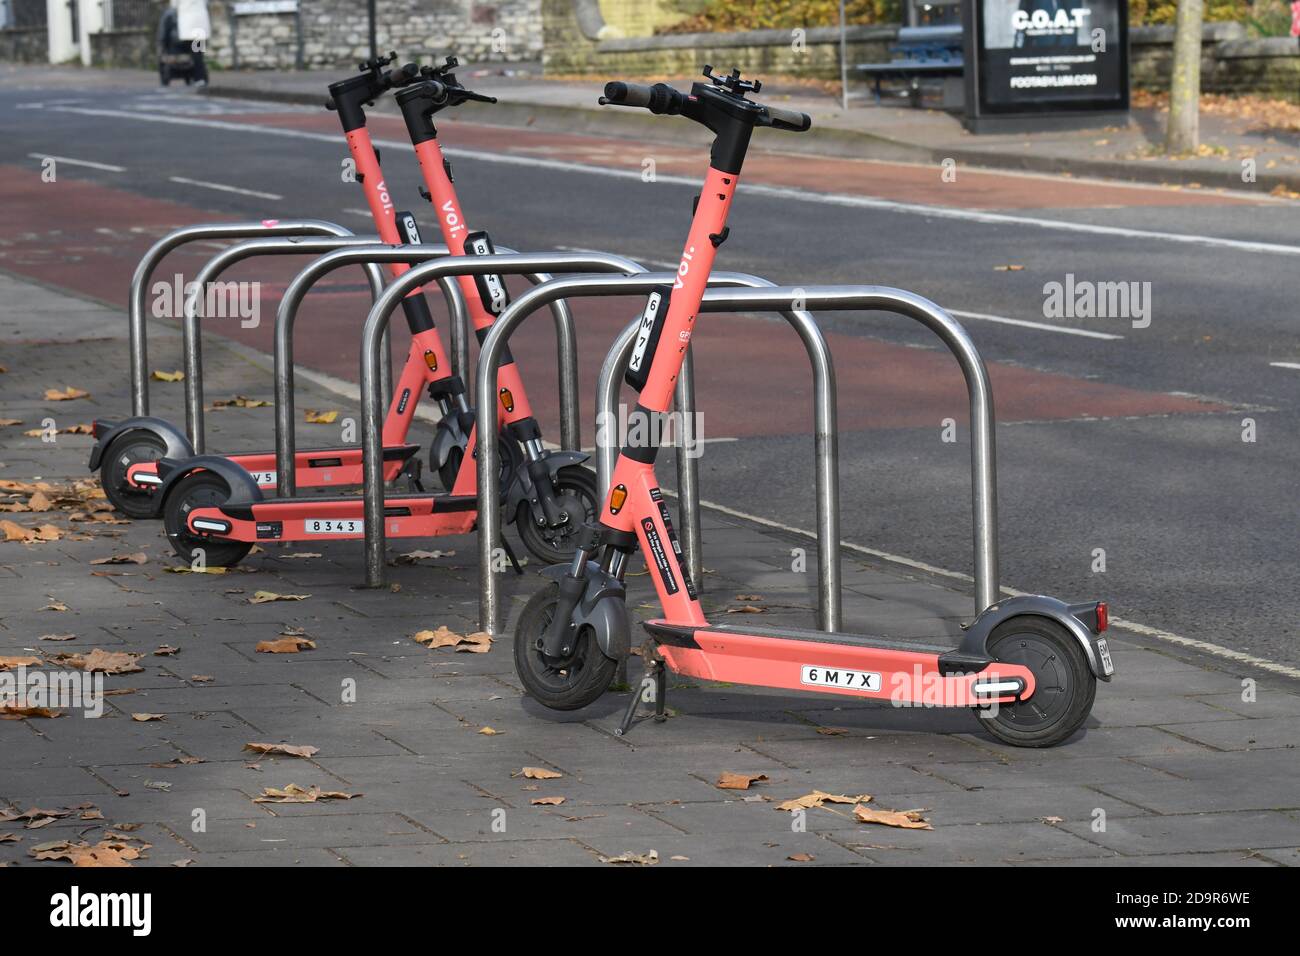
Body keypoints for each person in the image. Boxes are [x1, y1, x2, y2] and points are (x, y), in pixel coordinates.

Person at [175, 0, 211, 86]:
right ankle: (202, 76)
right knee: (199, 52)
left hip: (189, 24)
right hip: (200, 23)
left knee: (195, 53)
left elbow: (174, 5)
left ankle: (199, 77)